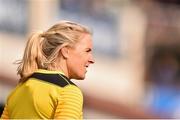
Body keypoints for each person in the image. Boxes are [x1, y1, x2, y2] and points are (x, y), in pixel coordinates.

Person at [1, 20, 95, 119]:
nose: (91, 60)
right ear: (65, 51)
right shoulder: (68, 91)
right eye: (87, 51)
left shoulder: (20, 88)